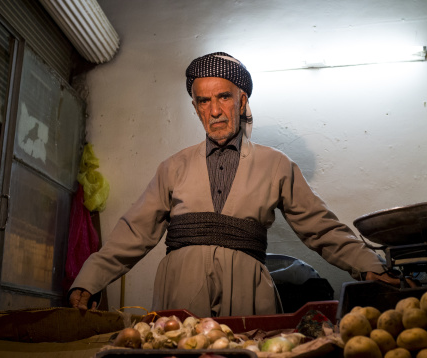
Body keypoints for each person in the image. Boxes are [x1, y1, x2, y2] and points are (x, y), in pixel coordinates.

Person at [69, 52, 402, 317]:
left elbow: (322, 229)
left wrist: (369, 267)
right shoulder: (173, 167)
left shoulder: (277, 165)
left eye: (224, 97)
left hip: (248, 290)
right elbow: (134, 232)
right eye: (203, 101)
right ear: (195, 108)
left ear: (242, 101)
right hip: (180, 288)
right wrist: (89, 280)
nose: (214, 111)